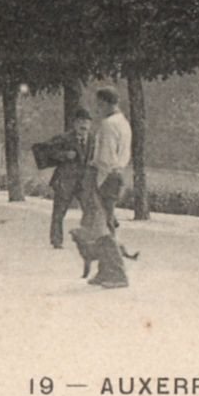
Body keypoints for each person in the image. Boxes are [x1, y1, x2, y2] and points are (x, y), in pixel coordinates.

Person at [86, 87, 132, 289]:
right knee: (106, 223)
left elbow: (105, 158)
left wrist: (95, 175)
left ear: (105, 103)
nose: (97, 108)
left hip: (106, 177)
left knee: (103, 226)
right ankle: (105, 271)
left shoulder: (107, 125)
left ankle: (117, 273)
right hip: (118, 175)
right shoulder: (123, 122)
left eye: (98, 104)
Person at [48, 109, 94, 249]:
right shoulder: (65, 138)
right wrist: (64, 155)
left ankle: (87, 237)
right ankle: (56, 240)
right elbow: (50, 152)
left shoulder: (93, 139)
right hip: (65, 180)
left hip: (84, 181)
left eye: (86, 122)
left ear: (90, 124)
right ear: (74, 123)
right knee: (59, 211)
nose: (84, 125)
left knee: (90, 209)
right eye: (80, 122)